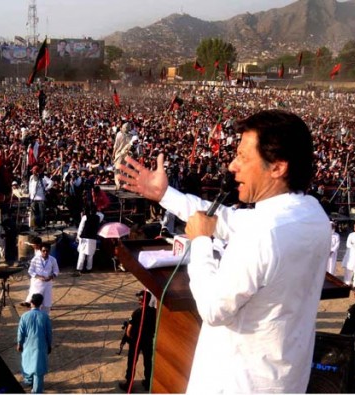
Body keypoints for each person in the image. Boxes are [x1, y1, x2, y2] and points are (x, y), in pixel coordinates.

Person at [117, 109, 331, 392]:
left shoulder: (263, 232)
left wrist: (201, 243)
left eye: (243, 156)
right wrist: (165, 195)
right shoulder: (312, 213)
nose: (232, 165)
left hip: (237, 382)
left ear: (278, 167)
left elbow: (214, 308)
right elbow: (227, 219)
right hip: (282, 378)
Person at [119, 291, 156, 392]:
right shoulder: (154, 312)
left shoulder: (137, 312)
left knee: (132, 362)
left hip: (136, 341)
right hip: (148, 340)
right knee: (148, 361)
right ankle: (148, 383)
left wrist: (128, 337)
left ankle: (129, 385)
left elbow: (129, 330)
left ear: (141, 301)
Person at [17, 293, 52, 394]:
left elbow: (21, 332)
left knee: (27, 363)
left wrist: (19, 343)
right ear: (41, 303)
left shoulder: (24, 316)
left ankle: (29, 381)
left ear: (31, 302)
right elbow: (49, 333)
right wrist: (49, 345)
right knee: (38, 369)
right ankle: (37, 390)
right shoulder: (45, 316)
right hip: (41, 346)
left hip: (27, 345)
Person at [19, 238, 59, 315]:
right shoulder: (35, 259)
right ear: (40, 251)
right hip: (37, 283)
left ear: (49, 251)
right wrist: (38, 277)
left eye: (47, 251)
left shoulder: (53, 260)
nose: (45, 252)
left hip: (47, 284)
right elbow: (30, 271)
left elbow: (56, 271)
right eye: (43, 251)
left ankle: (45, 317)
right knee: (35, 302)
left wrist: (51, 276)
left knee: (47, 303)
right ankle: (34, 316)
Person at [75, 205, 103, 274]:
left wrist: (78, 236)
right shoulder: (99, 217)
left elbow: (81, 227)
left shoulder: (85, 217)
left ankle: (80, 268)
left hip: (84, 238)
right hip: (93, 238)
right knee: (90, 255)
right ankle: (89, 268)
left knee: (82, 254)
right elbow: (101, 214)